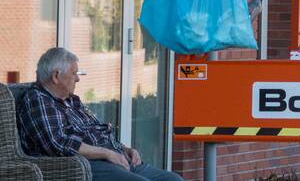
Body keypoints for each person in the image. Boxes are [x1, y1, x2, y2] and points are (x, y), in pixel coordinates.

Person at [17, 47, 182, 181]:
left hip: (113, 158)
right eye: (74, 73)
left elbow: (97, 129)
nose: (78, 79)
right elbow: (58, 143)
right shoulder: (37, 99)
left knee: (173, 180)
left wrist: (124, 149)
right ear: (56, 76)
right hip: (86, 164)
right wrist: (107, 153)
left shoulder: (72, 100)